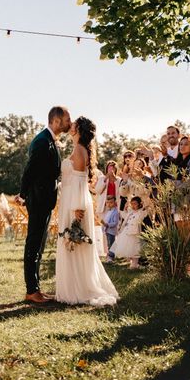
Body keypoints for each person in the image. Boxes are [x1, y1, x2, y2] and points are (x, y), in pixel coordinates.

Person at [55, 116, 118, 305]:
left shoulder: (80, 150)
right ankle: (73, 286)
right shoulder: (78, 149)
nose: (70, 126)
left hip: (76, 204)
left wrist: (77, 208)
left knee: (75, 245)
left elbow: (81, 183)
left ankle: (80, 288)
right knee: (71, 245)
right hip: (69, 200)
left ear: (78, 130)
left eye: (73, 124)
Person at [17, 106, 70, 303]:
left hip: (44, 199)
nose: (69, 123)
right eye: (67, 120)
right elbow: (29, 171)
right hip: (38, 199)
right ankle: (31, 290)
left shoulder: (50, 140)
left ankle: (35, 288)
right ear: (56, 121)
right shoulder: (42, 141)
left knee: (39, 244)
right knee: (34, 243)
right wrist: (23, 195)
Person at [110, 196, 147, 269]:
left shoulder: (141, 212)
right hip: (127, 231)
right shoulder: (130, 212)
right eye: (132, 204)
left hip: (135, 232)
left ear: (139, 204)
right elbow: (124, 216)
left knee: (135, 248)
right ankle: (131, 262)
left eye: (135, 204)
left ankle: (135, 264)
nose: (133, 206)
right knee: (128, 247)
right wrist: (125, 209)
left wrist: (143, 207)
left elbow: (140, 218)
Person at [102, 195, 119, 262]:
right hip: (107, 230)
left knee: (111, 243)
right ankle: (109, 254)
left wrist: (107, 224)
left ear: (115, 203)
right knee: (108, 243)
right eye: (107, 202)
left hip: (111, 231)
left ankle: (111, 256)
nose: (109, 204)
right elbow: (106, 220)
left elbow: (115, 223)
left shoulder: (115, 212)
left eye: (111, 202)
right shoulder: (108, 211)